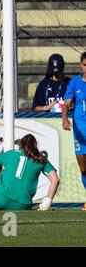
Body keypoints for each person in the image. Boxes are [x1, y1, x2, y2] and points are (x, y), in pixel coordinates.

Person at [62, 51, 86, 211]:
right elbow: (66, 104)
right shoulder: (75, 83)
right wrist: (64, 118)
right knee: (84, 168)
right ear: (81, 65)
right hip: (79, 131)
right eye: (85, 65)